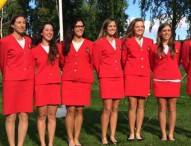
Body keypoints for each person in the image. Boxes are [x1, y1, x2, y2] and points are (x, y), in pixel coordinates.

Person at [0, 14, 34, 146]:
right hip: (11, 82)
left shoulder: (29, 41)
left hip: (27, 82)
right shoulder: (5, 41)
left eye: (24, 22)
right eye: (19, 22)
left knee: (24, 115)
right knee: (11, 115)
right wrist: (9, 76)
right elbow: (2, 63)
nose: (22, 25)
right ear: (12, 25)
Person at [60, 18, 94, 146]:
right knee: (70, 110)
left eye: (82, 26)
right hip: (69, 81)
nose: (80, 28)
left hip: (83, 82)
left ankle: (76, 138)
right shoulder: (64, 44)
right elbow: (62, 62)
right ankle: (70, 139)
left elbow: (92, 62)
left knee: (79, 110)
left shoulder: (90, 44)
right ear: (72, 28)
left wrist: (83, 72)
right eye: (77, 26)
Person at [93, 18, 124, 145]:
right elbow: (96, 62)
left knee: (115, 108)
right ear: (105, 28)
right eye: (110, 26)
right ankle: (103, 136)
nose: (112, 28)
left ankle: (112, 135)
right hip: (106, 78)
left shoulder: (119, 42)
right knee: (107, 108)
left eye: (114, 26)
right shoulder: (99, 43)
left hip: (118, 78)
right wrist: (104, 73)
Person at [121, 18, 153, 141]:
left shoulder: (150, 42)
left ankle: (138, 132)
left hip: (144, 76)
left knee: (141, 105)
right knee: (132, 105)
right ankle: (131, 132)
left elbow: (151, 59)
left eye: (142, 26)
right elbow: (123, 60)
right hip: (131, 75)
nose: (140, 28)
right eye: (137, 26)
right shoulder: (127, 42)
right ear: (133, 28)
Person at [150, 23, 181, 141]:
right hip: (159, 80)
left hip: (173, 80)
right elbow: (152, 64)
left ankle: (171, 134)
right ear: (159, 33)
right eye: (164, 30)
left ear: (171, 32)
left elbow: (178, 62)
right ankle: (163, 134)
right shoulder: (154, 47)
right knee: (162, 107)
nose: (166, 32)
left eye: (169, 30)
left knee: (172, 108)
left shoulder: (178, 45)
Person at [31, 22, 61, 146]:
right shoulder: (34, 50)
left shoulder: (57, 48)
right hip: (40, 86)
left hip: (54, 85)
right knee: (42, 116)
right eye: (46, 30)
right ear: (41, 32)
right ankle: (43, 143)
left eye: (51, 30)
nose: (49, 32)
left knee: (52, 115)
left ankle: (50, 143)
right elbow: (31, 69)